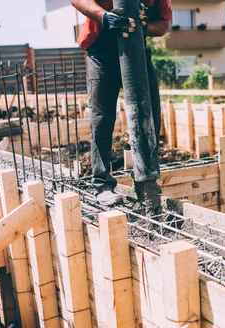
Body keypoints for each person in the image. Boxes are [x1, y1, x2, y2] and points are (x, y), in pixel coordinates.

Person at [71, 0, 171, 208]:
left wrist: (144, 27)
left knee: (150, 113)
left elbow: (163, 25)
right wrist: (104, 16)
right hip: (102, 52)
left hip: (136, 48)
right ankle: (102, 184)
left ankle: (145, 179)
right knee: (102, 118)